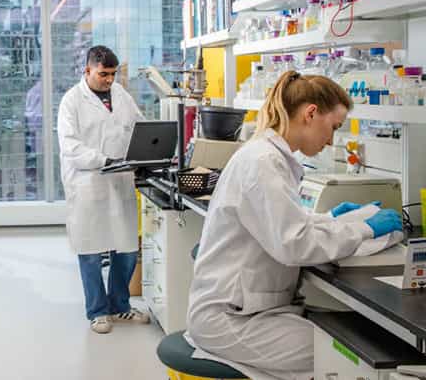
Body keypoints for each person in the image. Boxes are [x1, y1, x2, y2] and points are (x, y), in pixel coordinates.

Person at [186, 70, 403, 380]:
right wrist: (365, 229)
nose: (331, 140)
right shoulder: (263, 162)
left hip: (250, 309)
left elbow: (282, 223)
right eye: (334, 127)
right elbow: (294, 243)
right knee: (349, 356)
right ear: (311, 113)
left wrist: (330, 219)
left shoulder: (270, 156)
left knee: (353, 338)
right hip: (231, 319)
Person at [57, 45, 151, 334]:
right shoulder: (71, 102)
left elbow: (139, 126)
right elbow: (70, 146)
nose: (109, 80)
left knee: (126, 247)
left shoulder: (121, 95)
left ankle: (120, 306)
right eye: (103, 74)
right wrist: (104, 160)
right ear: (87, 71)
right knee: (91, 250)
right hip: (89, 183)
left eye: (113, 74)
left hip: (120, 181)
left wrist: (149, 149)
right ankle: (97, 311)